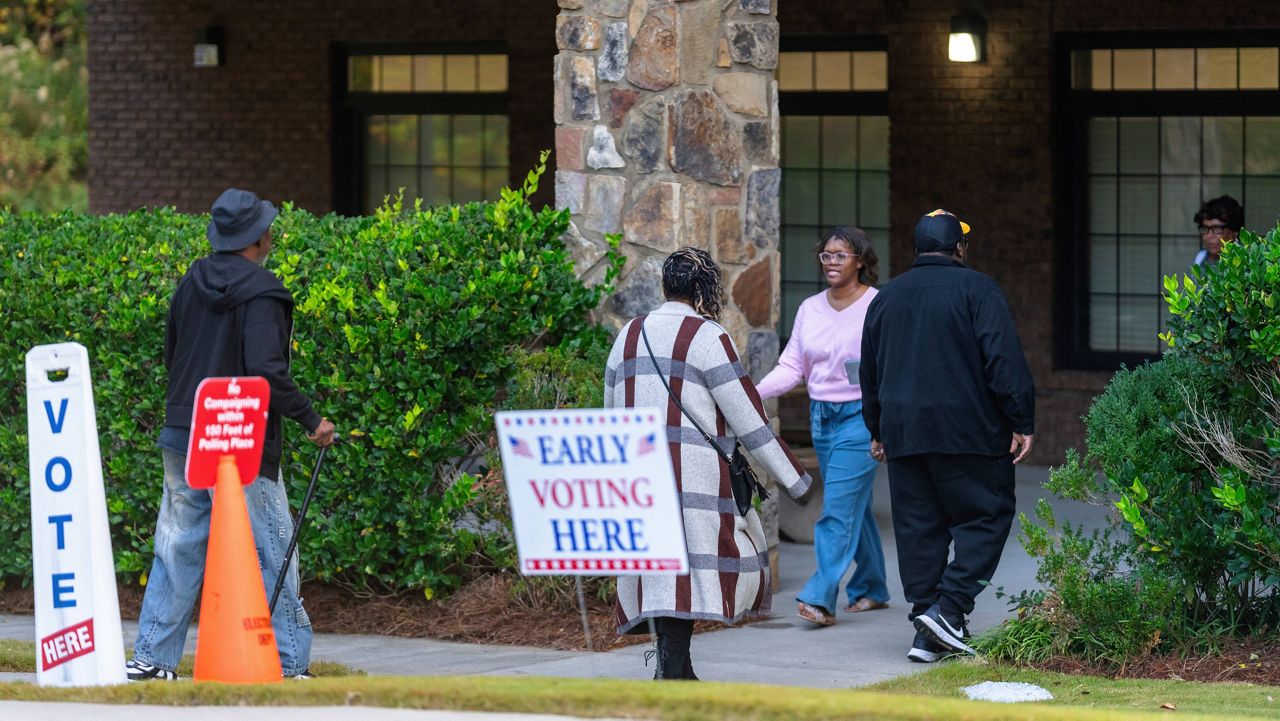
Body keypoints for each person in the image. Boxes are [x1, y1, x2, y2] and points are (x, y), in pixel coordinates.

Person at [127, 188, 336, 681]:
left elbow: (172, 353)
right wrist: (312, 420)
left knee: (176, 546)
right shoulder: (264, 292)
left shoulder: (190, 282)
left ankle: (152, 660)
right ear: (259, 237)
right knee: (272, 547)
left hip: (186, 431)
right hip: (244, 442)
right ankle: (287, 663)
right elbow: (267, 372)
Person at [605, 247, 812, 680]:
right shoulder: (708, 337)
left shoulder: (629, 334)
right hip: (694, 480)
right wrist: (795, 479)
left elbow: (610, 413)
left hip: (640, 479)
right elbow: (748, 418)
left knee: (663, 573)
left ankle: (675, 668)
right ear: (704, 289)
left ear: (665, 286)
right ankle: (674, 672)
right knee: (692, 572)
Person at [859, 209, 1035, 664]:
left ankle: (928, 627)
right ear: (959, 248)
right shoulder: (978, 289)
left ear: (919, 248)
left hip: (905, 433)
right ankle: (950, 608)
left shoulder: (886, 298)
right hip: (970, 432)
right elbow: (1003, 361)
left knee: (920, 530)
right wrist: (1021, 420)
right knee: (987, 517)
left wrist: (876, 428)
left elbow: (870, 373)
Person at [756, 226, 890, 627]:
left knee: (835, 510)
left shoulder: (877, 306)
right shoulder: (810, 308)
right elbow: (792, 367)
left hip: (861, 418)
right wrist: (752, 395)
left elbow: (889, 366)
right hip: (822, 417)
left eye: (840, 255)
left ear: (862, 261)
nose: (831, 262)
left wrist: (886, 424)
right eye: (826, 255)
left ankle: (820, 596)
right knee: (853, 504)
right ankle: (872, 587)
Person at [1192, 195, 1243, 268]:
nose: (1209, 236)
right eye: (1205, 228)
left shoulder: (1248, 261)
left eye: (1216, 229)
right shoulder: (1200, 259)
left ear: (1234, 232)